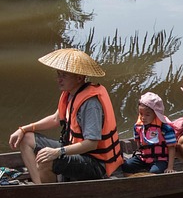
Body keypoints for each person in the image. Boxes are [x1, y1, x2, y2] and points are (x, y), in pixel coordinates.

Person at [9, 48, 124, 183]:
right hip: (75, 152)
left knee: (46, 161)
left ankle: (51, 196)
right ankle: (38, 186)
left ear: (79, 78)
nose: (59, 80)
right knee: (26, 137)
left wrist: (58, 152)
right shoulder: (71, 93)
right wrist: (23, 129)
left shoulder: (91, 104)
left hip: (95, 163)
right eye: (58, 74)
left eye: (64, 76)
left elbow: (92, 144)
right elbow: (55, 118)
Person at [122, 91, 177, 174]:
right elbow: (138, 143)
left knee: (155, 172)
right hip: (143, 158)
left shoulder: (165, 128)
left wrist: (170, 167)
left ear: (156, 114)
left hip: (160, 160)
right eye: (141, 114)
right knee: (126, 166)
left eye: (147, 115)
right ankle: (145, 168)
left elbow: (172, 148)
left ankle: (152, 169)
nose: (143, 118)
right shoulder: (138, 126)